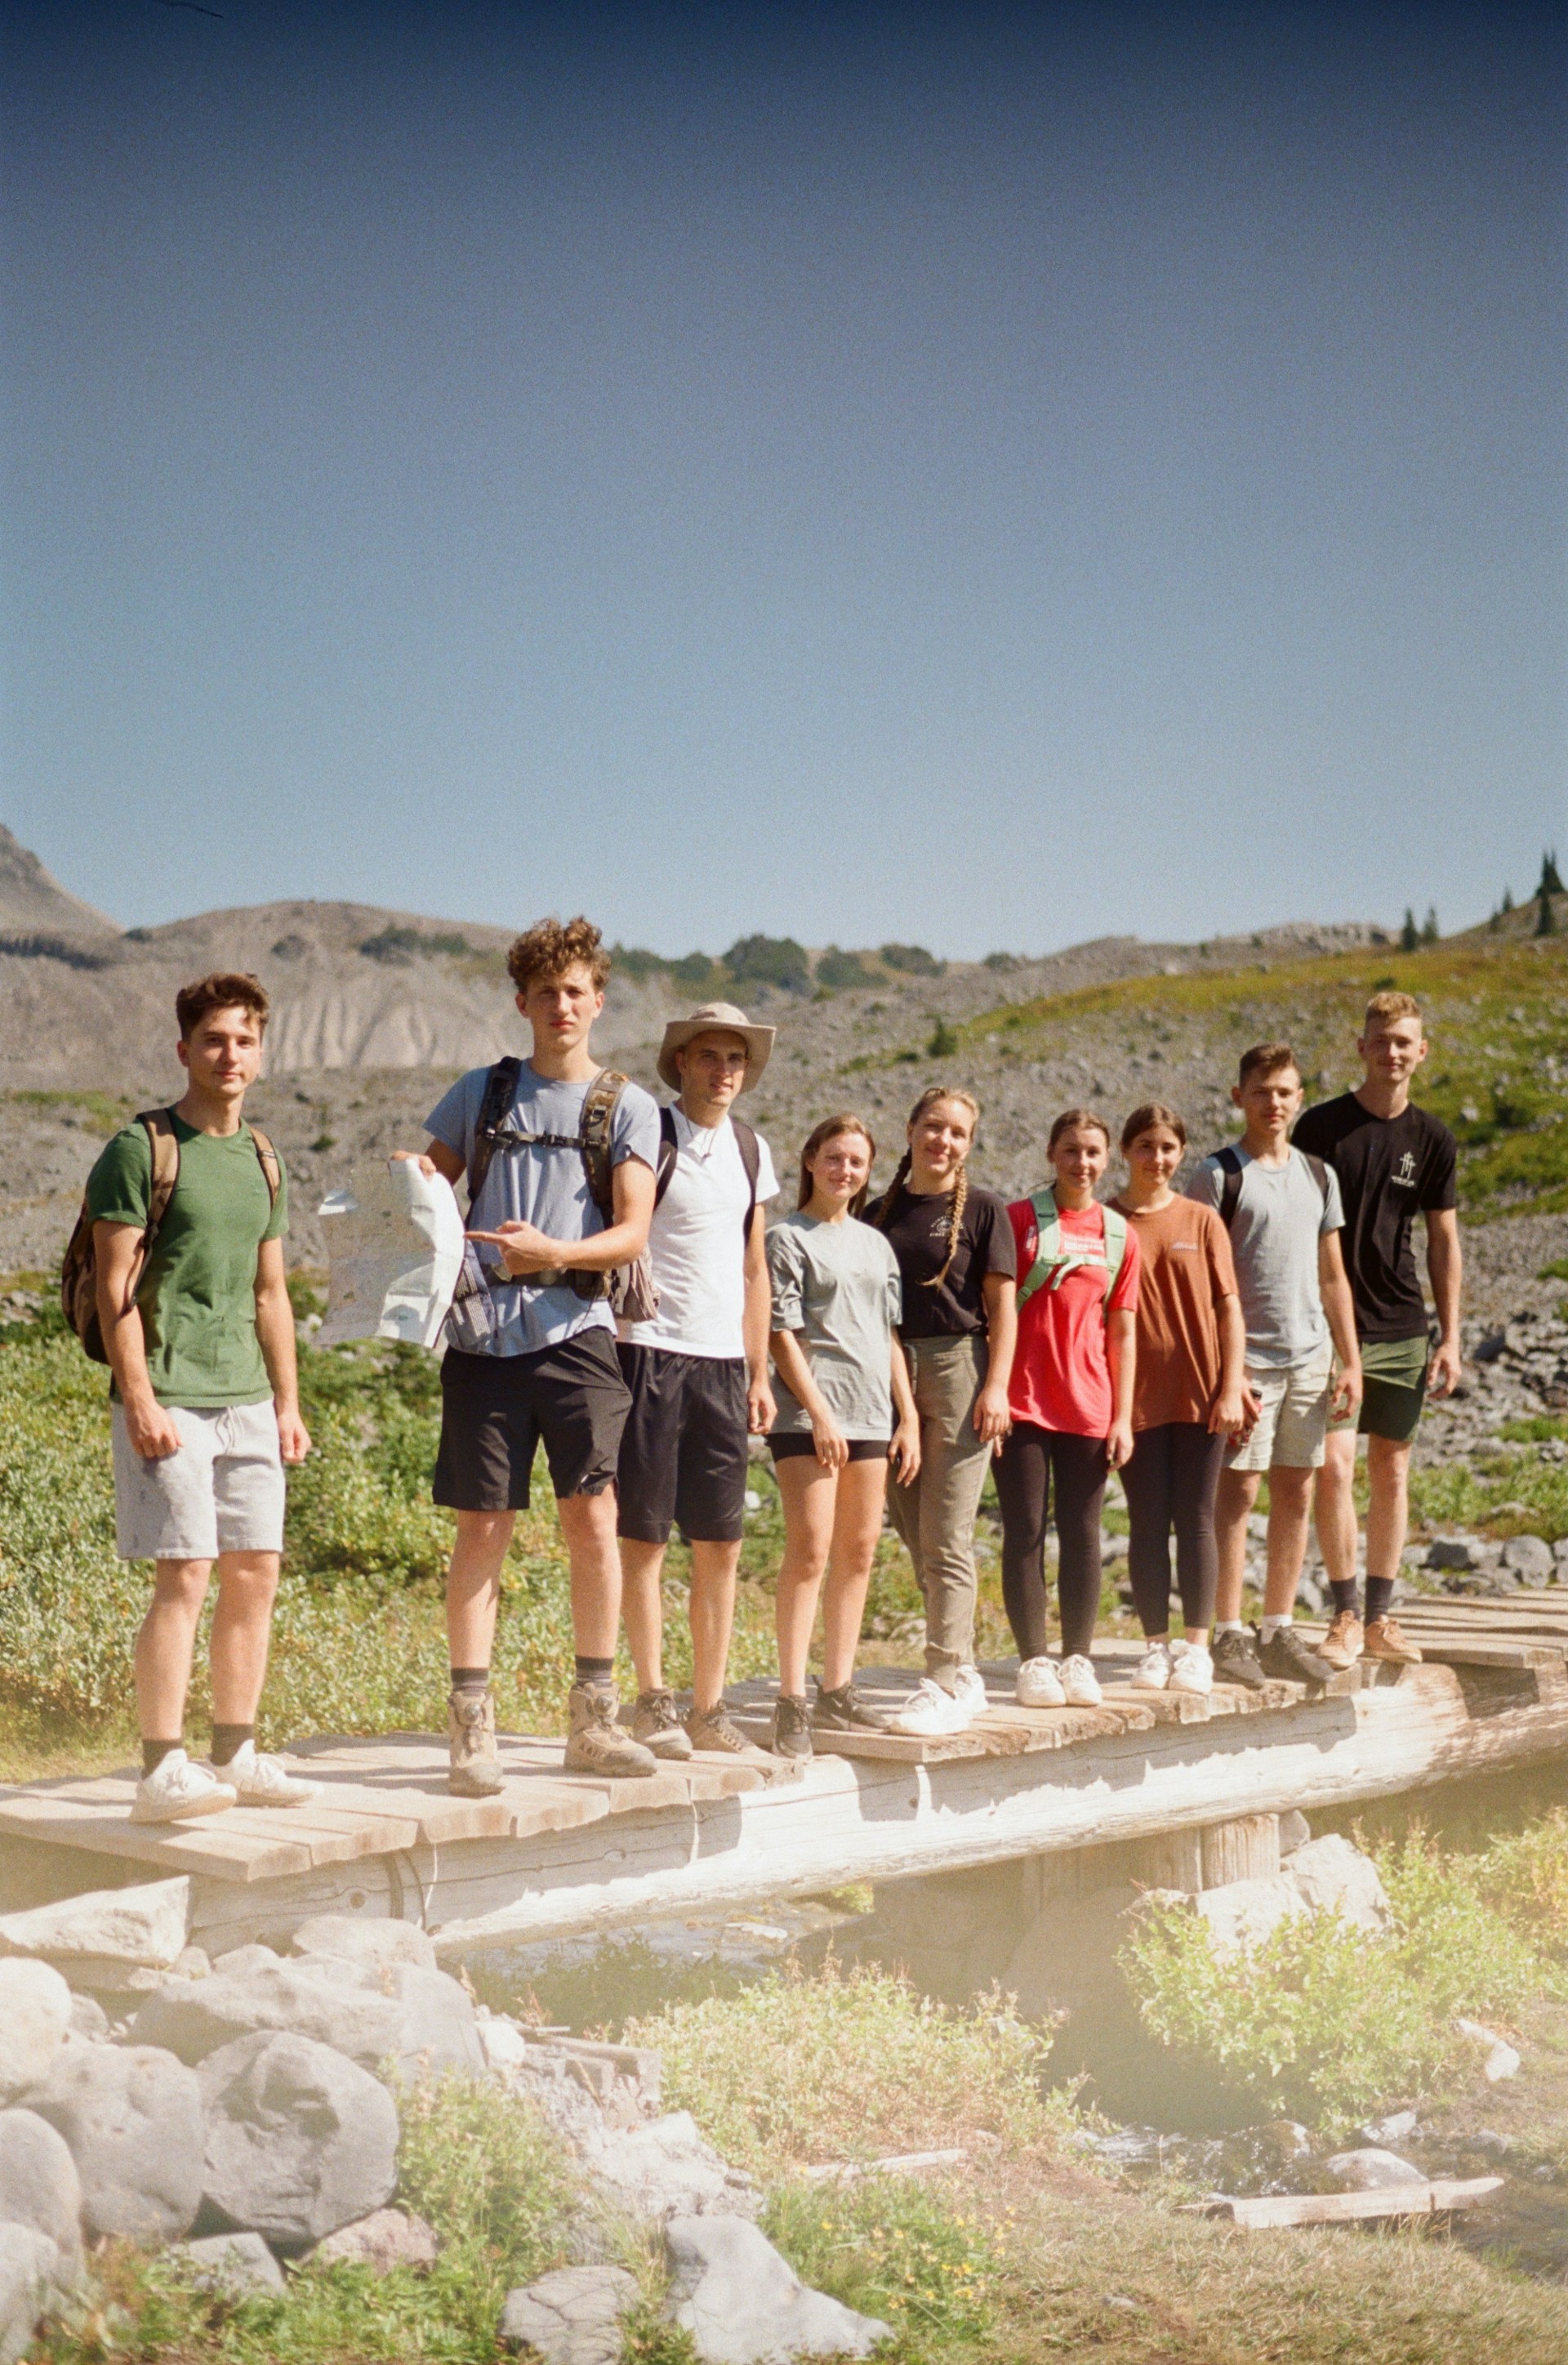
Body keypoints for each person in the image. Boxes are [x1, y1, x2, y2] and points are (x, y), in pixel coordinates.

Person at [415, 916, 662, 1791]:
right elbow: (425, 1192)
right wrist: (409, 1186)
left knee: (593, 1519)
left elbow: (632, 1231)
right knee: (483, 1526)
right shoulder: (480, 1093)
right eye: (547, 992)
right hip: (482, 1338)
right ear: (521, 1002)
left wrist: (553, 1253)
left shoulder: (628, 1106)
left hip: (578, 1335)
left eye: (576, 991)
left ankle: (594, 1721)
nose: (563, 1005)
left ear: (599, 1001)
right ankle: (470, 1728)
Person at [85, 972, 318, 1823]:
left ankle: (236, 1752)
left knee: (255, 1570)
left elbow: (271, 1292)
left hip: (246, 1397)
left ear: (261, 1052)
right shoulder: (140, 1149)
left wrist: (288, 1402)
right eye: (214, 1040)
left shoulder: (263, 1157)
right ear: (184, 1050)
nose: (230, 1055)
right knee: (183, 1573)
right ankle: (160, 1769)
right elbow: (115, 1288)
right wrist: (140, 1399)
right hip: (171, 1395)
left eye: (244, 1040)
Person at [616, 1002, 781, 1760]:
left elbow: (755, 1266)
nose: (723, 1071)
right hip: (648, 1348)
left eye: (735, 1059)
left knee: (721, 1543)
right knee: (645, 1537)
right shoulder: (650, 1132)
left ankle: (710, 1708)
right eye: (709, 1056)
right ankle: (653, 1701)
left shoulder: (752, 1149)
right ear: (680, 1061)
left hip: (722, 1362)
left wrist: (758, 1370)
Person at [1186, 1043, 1361, 1689]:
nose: (1274, 1102)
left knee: (1297, 1489)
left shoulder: (1320, 1175)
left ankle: (1278, 1626)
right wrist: (1225, 1374)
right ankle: (1228, 1631)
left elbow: (1333, 1275)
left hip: (1310, 1357)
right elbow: (1199, 1284)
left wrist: (1351, 1360)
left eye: (1285, 1091)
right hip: (1248, 1362)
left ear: (1299, 1097)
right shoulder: (1217, 1175)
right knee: (1237, 1492)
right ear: (1240, 1097)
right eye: (1261, 1091)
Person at [1296, 991, 1461, 1669]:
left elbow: (1443, 1239)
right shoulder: (1320, 1128)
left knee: (1391, 1469)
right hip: (1329, 1327)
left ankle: (1381, 1618)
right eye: (1381, 1040)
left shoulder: (1433, 1138)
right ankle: (1343, 1613)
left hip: (1401, 1324)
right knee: (1334, 1466)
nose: (1392, 1052)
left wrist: (1450, 1336)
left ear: (1422, 1051)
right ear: (1361, 1047)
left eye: (1404, 1042)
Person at [765, 1115, 920, 1760]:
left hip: (871, 1414)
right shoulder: (785, 1238)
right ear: (810, 1159)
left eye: (856, 1161)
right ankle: (791, 1699)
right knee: (810, 1551)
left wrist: (908, 1416)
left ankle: (838, 1687)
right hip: (809, 1418)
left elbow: (887, 1335)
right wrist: (820, 1413)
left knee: (858, 1552)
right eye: (834, 1157)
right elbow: (780, 1334)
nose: (845, 1170)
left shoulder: (875, 1244)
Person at [866, 1086, 1017, 1737]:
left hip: (960, 1370)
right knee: (913, 1529)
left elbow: (1003, 1307)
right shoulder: (877, 1213)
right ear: (910, 1129)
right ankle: (966, 1668)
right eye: (934, 1126)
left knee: (946, 1535)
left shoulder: (985, 1209)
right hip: (891, 1374)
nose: (943, 1140)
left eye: (957, 1132)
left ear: (969, 1144)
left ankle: (943, 1680)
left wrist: (997, 1387)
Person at [996, 1110, 1141, 1709]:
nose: (1082, 1163)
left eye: (1092, 1152)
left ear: (1107, 1159)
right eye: (1071, 1151)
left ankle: (1077, 1657)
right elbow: (995, 1310)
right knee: (1025, 1530)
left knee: (1082, 1533)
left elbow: (1123, 1331)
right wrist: (993, 1394)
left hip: (1089, 1404)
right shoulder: (1018, 1220)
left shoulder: (1119, 1234)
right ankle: (1034, 1661)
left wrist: (1123, 1417)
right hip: (1022, 1401)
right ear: (1051, 1154)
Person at [1111, 1104, 1250, 1698]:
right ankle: (1154, 1646)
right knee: (1146, 1520)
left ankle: (1195, 1648)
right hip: (1133, 1397)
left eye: (1168, 1147)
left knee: (1196, 1517)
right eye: (1146, 1146)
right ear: (1126, 1151)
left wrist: (1232, 1384)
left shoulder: (1202, 1219)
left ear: (1181, 1153)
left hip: (1200, 1392)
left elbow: (1229, 1309)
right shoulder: (1107, 1221)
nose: (1157, 1158)